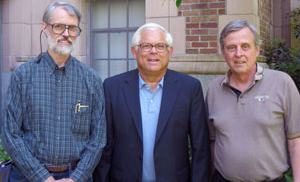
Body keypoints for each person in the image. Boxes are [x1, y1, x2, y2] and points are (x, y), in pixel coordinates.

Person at [1, 1, 106, 182]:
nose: (66, 34)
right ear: (45, 27)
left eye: (72, 28)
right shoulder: (22, 76)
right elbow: (10, 133)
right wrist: (42, 177)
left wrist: (77, 178)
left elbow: (98, 138)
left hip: (75, 176)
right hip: (28, 176)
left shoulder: (92, 80)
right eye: (59, 26)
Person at [93, 23, 211, 182]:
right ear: (134, 52)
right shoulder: (112, 87)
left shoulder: (190, 88)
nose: (153, 51)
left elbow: (200, 147)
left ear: (170, 52)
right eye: (146, 46)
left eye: (160, 46)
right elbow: (104, 146)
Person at [206, 19, 300, 182]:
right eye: (231, 48)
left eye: (245, 46)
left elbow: (295, 140)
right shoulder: (214, 89)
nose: (238, 54)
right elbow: (213, 142)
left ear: (257, 49)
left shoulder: (282, 83)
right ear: (223, 52)